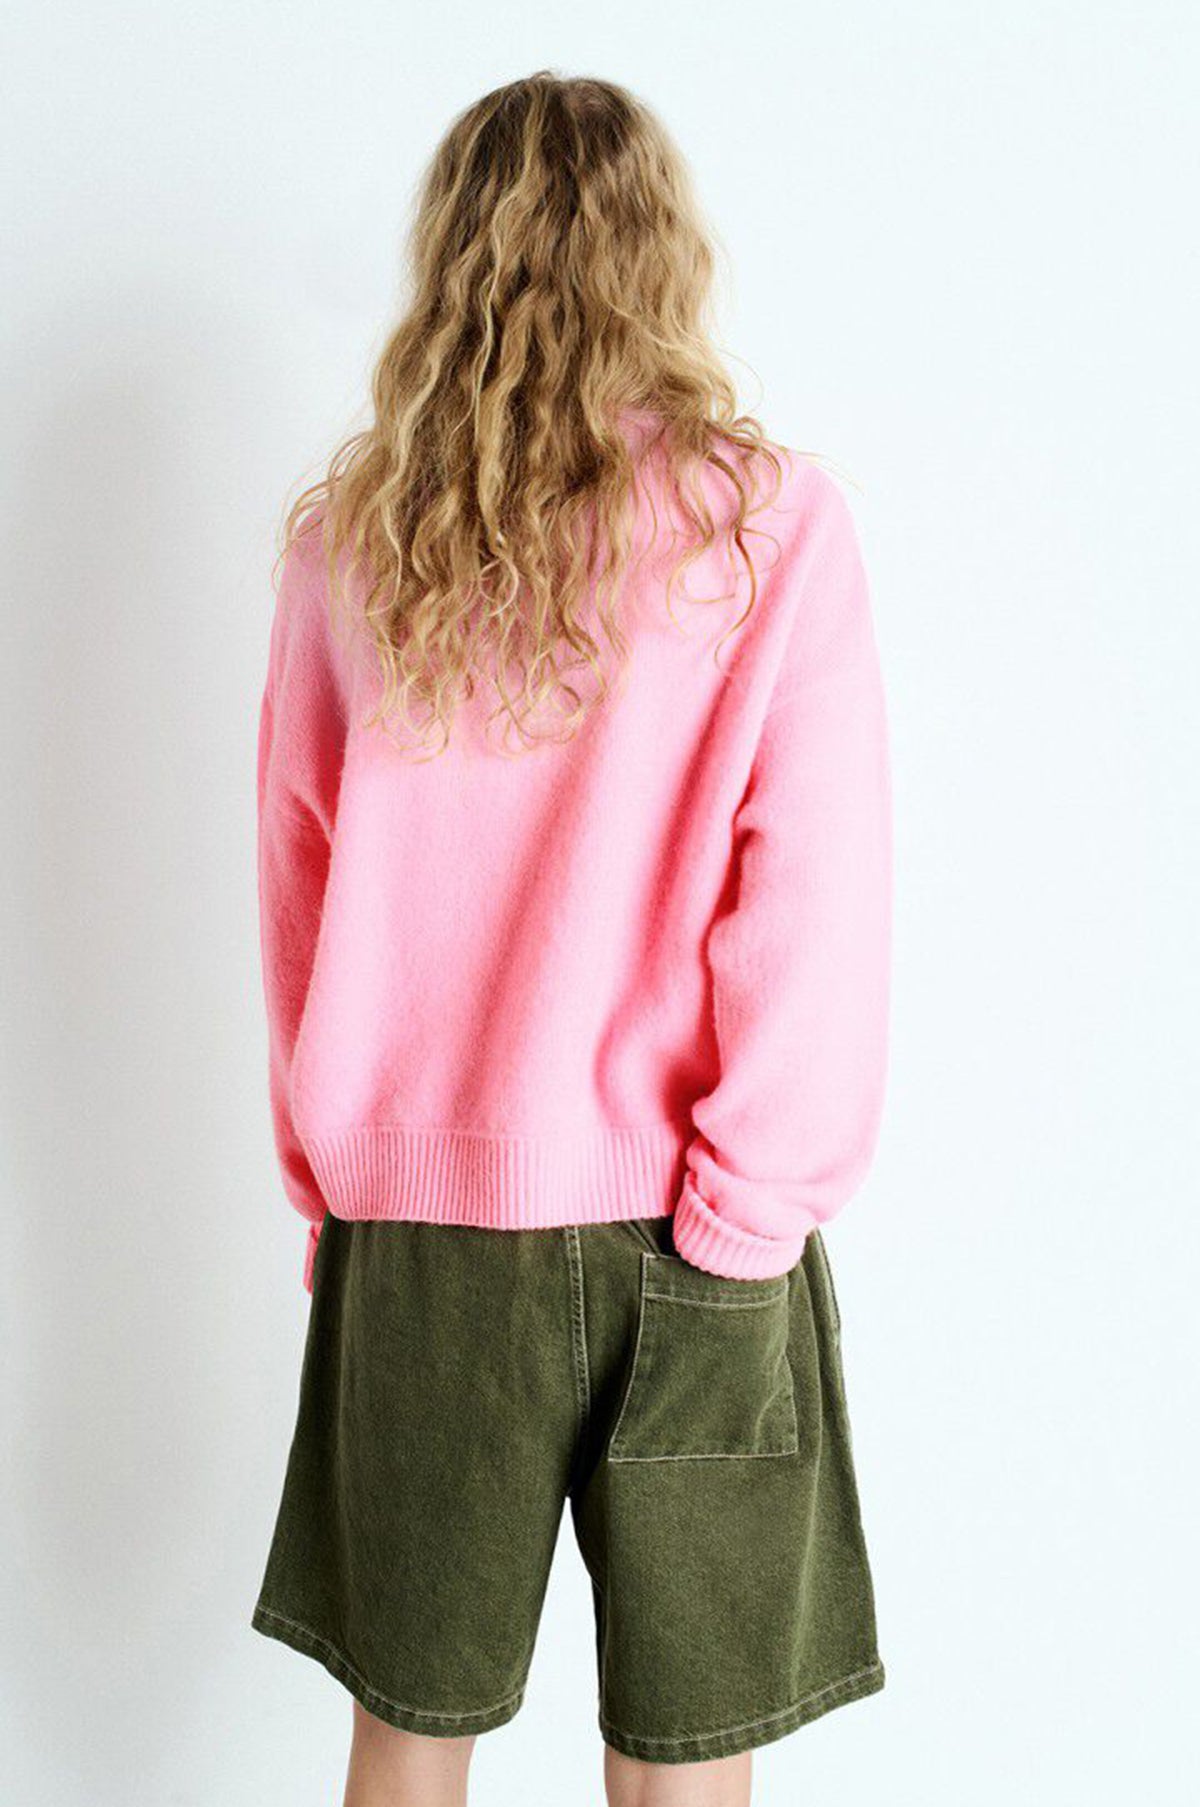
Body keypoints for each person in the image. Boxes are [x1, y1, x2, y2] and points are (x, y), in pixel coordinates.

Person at [250, 69, 893, 1807]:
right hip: (694, 1234)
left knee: (407, 1742)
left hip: (422, 1234)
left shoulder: (352, 548)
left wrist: (336, 1194)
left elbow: (299, 894)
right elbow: (815, 897)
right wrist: (756, 1206)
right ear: (662, 250)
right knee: (684, 1764)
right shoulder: (766, 531)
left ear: (450, 252)